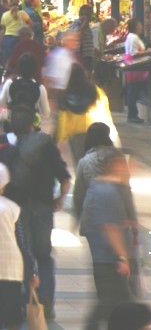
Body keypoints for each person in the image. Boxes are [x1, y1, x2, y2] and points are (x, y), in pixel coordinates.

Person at [4, 105, 71, 319]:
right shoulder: (46, 145)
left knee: (25, 253)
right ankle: (46, 302)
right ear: (32, 125)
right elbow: (65, 177)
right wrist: (60, 198)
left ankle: (26, 299)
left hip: (18, 208)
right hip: (43, 208)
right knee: (44, 256)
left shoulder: (9, 147)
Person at [80, 138, 138, 330]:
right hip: (110, 260)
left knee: (110, 304)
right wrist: (122, 257)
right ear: (117, 165)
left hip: (104, 258)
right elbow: (110, 227)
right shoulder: (107, 191)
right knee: (112, 304)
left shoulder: (100, 187)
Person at [72, 122, 135, 231]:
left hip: (92, 216)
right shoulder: (118, 159)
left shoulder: (84, 161)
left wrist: (77, 219)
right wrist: (132, 217)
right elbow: (126, 189)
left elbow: (79, 194)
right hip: (117, 214)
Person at [0, 164, 39, 330]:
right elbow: (22, 243)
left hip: (10, 269)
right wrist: (31, 271)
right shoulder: (13, 208)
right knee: (12, 318)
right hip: (10, 270)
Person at [0, 53, 51, 132]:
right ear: (35, 69)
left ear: (19, 67)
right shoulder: (40, 88)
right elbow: (46, 113)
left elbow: (1, 103)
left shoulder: (10, 83)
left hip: (11, 126)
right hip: (31, 129)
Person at [123, 19, 151, 124]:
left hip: (134, 68)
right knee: (133, 91)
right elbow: (134, 53)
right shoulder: (133, 38)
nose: (141, 26)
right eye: (140, 24)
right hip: (135, 68)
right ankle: (132, 115)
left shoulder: (131, 37)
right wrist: (147, 52)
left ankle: (132, 114)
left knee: (133, 91)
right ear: (135, 27)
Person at [0, 0, 32, 67]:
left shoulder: (4, 15)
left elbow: (3, 31)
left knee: (9, 63)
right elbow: (31, 24)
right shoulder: (22, 13)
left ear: (8, 4)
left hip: (7, 40)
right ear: (18, 2)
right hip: (20, 39)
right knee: (21, 62)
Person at [71, 4, 96, 71]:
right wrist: (84, 23)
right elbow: (76, 36)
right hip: (82, 57)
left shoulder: (87, 26)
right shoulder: (77, 23)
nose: (90, 18)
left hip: (88, 57)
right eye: (89, 15)